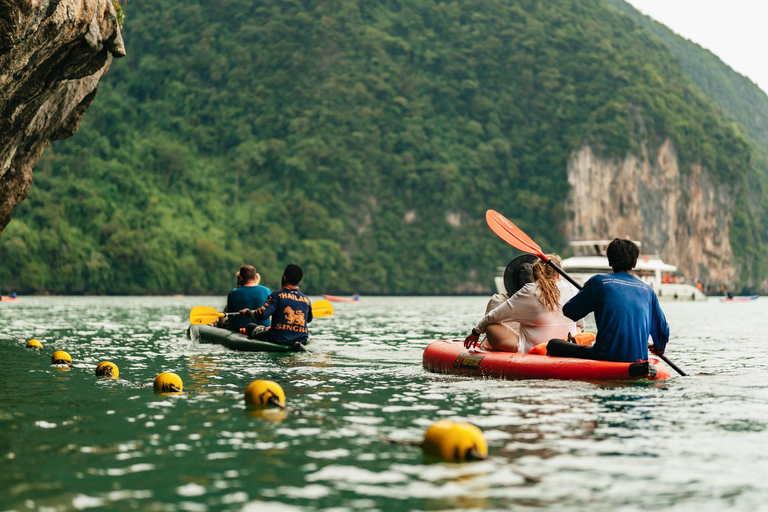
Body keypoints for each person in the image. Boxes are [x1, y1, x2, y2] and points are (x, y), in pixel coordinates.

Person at [548, 238, 669, 362]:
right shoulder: (648, 290)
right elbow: (663, 332)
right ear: (634, 263)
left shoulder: (598, 282)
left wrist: (589, 297)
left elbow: (570, 311)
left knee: (553, 344)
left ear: (610, 262)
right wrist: (659, 348)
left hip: (604, 357)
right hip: (638, 358)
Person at [464, 255, 581, 354]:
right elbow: (581, 324)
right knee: (577, 326)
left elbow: (492, 316)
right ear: (559, 275)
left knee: (491, 325)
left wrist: (476, 332)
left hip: (535, 349)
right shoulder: (573, 290)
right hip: (568, 345)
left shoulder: (529, 291)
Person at [240, 264, 313, 348]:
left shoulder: (277, 295)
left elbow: (262, 314)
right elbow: (308, 319)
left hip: (277, 339)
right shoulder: (306, 300)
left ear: (284, 277)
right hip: (301, 340)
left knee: (249, 326)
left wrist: (247, 312)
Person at [222, 265, 271, 331]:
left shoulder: (233, 293)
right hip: (265, 328)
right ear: (255, 277)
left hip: (241, 330)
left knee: (222, 319)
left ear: (241, 278)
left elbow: (231, 317)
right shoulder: (267, 291)